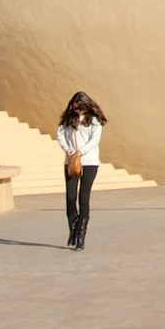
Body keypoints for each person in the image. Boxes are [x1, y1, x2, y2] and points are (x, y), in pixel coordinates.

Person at [56, 91, 107, 250]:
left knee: (83, 197)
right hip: (71, 161)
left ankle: (81, 235)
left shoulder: (94, 122)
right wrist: (68, 149)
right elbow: (60, 135)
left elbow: (94, 141)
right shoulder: (67, 120)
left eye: (82, 108)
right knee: (70, 197)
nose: (79, 111)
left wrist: (81, 151)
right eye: (76, 108)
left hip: (89, 161)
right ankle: (73, 228)